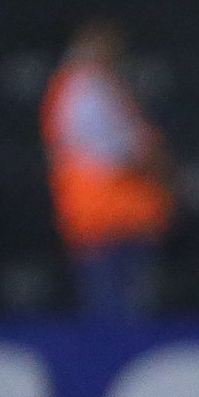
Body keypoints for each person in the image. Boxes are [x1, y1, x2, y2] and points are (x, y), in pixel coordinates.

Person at [40, 20, 173, 318]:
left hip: (127, 216)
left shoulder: (105, 85)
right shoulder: (82, 88)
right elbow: (117, 150)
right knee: (114, 312)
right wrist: (153, 154)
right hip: (103, 217)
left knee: (130, 307)